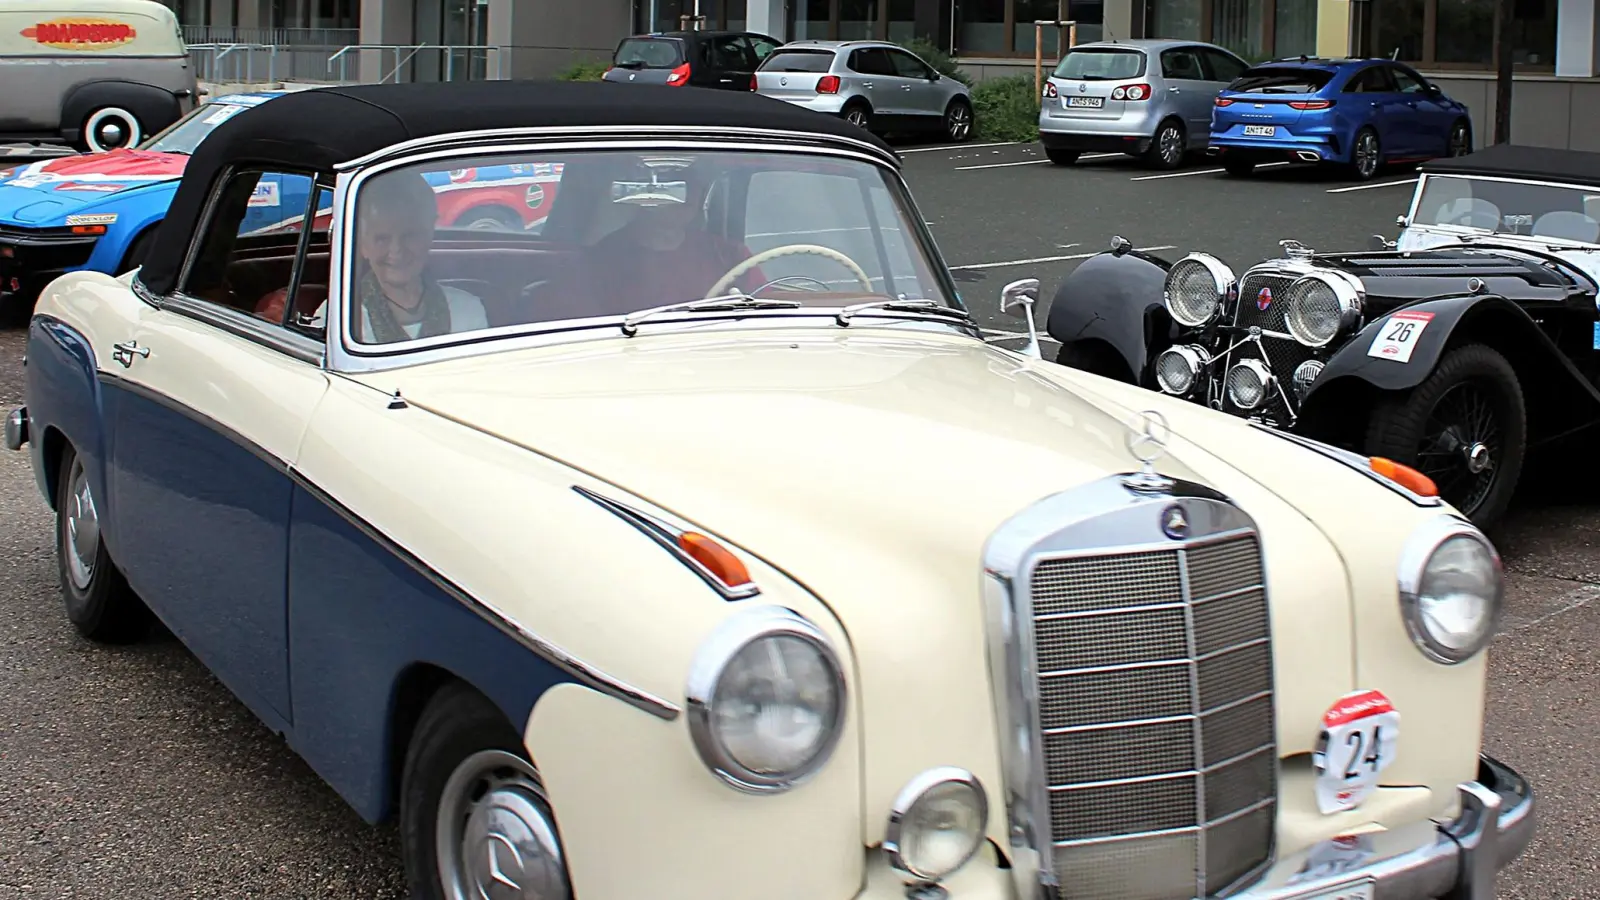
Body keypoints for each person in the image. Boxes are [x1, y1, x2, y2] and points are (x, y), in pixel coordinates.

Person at [256, 169, 487, 342]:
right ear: (363, 244)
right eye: (381, 238)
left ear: (429, 235)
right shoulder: (338, 315)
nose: (396, 250)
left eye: (409, 235)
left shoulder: (467, 308)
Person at [539, 159, 767, 321]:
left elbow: (768, 305)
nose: (688, 195)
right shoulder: (601, 261)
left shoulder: (728, 254)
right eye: (674, 185)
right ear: (644, 195)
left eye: (692, 185)